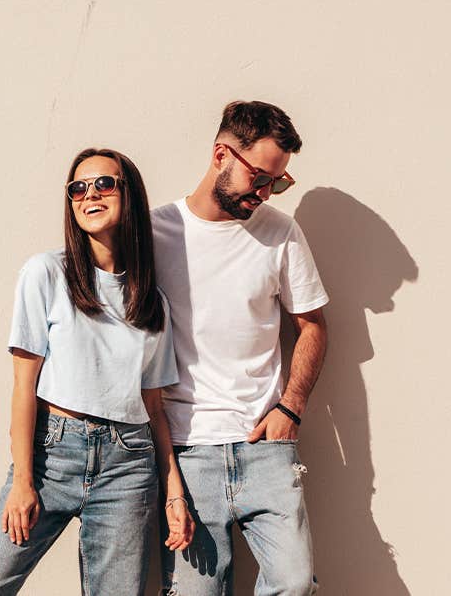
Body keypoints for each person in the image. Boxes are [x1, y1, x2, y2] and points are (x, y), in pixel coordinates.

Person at [0, 148, 195, 596]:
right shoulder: (46, 273)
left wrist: (174, 492)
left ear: (129, 194)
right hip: (53, 455)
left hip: (127, 465)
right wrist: (24, 481)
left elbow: (153, 408)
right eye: (78, 188)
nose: (90, 194)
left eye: (104, 184)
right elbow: (23, 386)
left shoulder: (152, 303)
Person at [151, 101, 328, 596]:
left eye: (279, 182)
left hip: (265, 448)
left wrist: (290, 408)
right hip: (187, 452)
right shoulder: (154, 232)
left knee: (294, 585)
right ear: (220, 154)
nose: (266, 193)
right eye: (260, 177)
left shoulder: (281, 233)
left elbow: (312, 325)